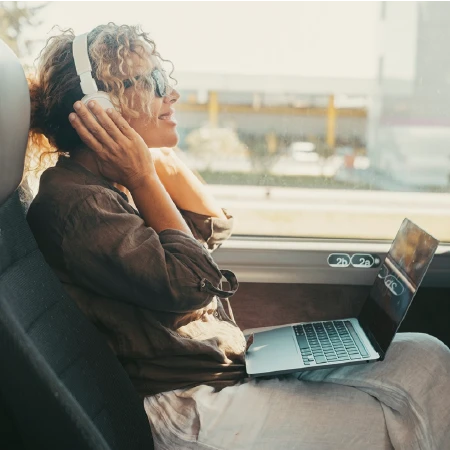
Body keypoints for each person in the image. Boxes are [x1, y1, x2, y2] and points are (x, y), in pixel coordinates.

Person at [26, 23, 450, 450]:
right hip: (186, 405)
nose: (170, 93)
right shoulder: (78, 205)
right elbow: (193, 282)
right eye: (153, 82)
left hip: (221, 365)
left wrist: (155, 166)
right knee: (398, 425)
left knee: (426, 359)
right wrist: (143, 177)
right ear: (100, 107)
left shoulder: (112, 182)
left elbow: (210, 230)